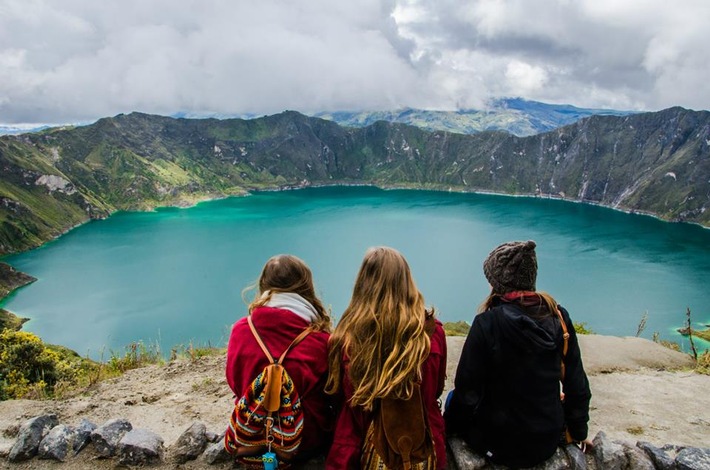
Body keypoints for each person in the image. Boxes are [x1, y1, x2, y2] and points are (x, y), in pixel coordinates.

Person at [444, 240, 592, 468]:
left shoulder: (487, 323)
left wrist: (448, 430)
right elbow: (577, 384)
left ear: (499, 284)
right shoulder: (559, 318)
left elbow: (467, 392)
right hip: (545, 441)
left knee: (452, 398)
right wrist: (578, 431)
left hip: (495, 442)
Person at [325, 246, 447, 470]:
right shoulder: (433, 332)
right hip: (422, 444)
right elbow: (436, 390)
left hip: (363, 445)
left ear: (363, 283)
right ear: (407, 281)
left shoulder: (347, 337)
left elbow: (341, 398)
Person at [225, 254, 334, 462]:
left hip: (250, 436)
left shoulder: (240, 330)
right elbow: (331, 393)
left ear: (264, 286)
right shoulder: (320, 340)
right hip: (305, 440)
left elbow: (234, 383)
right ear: (305, 288)